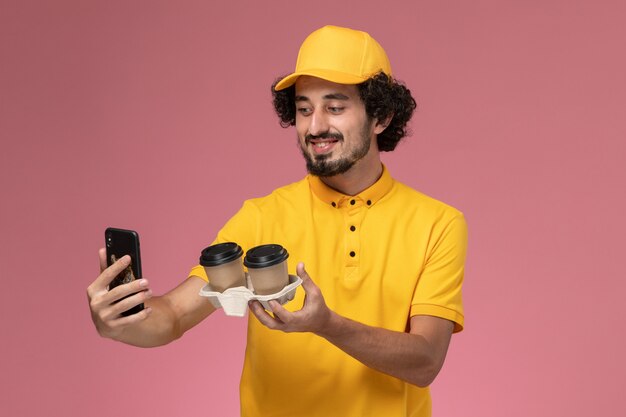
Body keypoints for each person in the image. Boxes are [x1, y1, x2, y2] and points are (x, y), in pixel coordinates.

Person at [87, 25, 467, 417]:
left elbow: (425, 361)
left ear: (381, 116)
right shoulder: (261, 218)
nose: (316, 126)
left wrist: (328, 324)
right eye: (304, 109)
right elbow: (173, 316)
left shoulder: (437, 223)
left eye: (335, 108)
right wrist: (120, 321)